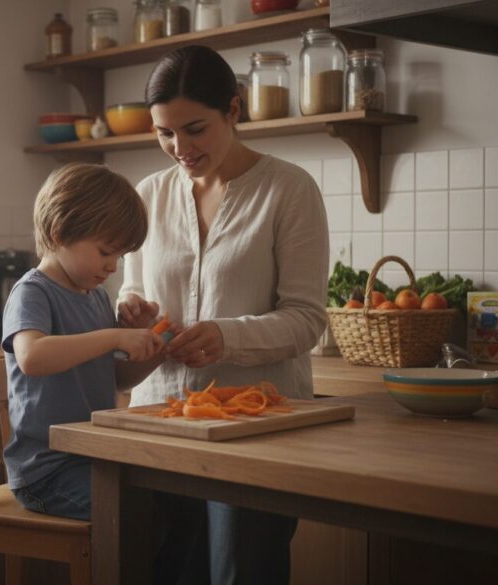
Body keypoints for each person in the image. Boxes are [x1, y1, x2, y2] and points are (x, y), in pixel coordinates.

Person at [117, 45, 330, 584]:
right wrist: (131, 310)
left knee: (243, 572)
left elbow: (307, 318)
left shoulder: (289, 189)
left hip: (258, 427)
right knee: (162, 570)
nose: (179, 148)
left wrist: (225, 337)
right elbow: (134, 291)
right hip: (160, 422)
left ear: (233, 110)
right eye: (164, 133)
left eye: (195, 129)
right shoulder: (148, 195)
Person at [1, 162, 168, 521]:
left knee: (170, 502)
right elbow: (31, 357)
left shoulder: (95, 296)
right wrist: (113, 336)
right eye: (105, 251)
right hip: (47, 472)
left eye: (120, 256)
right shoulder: (32, 292)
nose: (113, 267)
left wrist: (157, 349)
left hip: (93, 456)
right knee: (139, 512)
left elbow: (117, 379)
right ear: (60, 232)